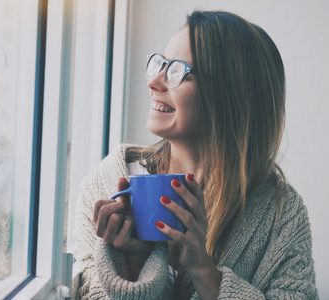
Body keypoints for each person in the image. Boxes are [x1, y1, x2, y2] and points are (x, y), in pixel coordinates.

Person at [73, 10, 318, 300]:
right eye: (159, 64)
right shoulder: (106, 186)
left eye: (177, 72)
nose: (155, 82)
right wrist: (135, 263)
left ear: (230, 96)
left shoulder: (282, 216)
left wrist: (203, 270)